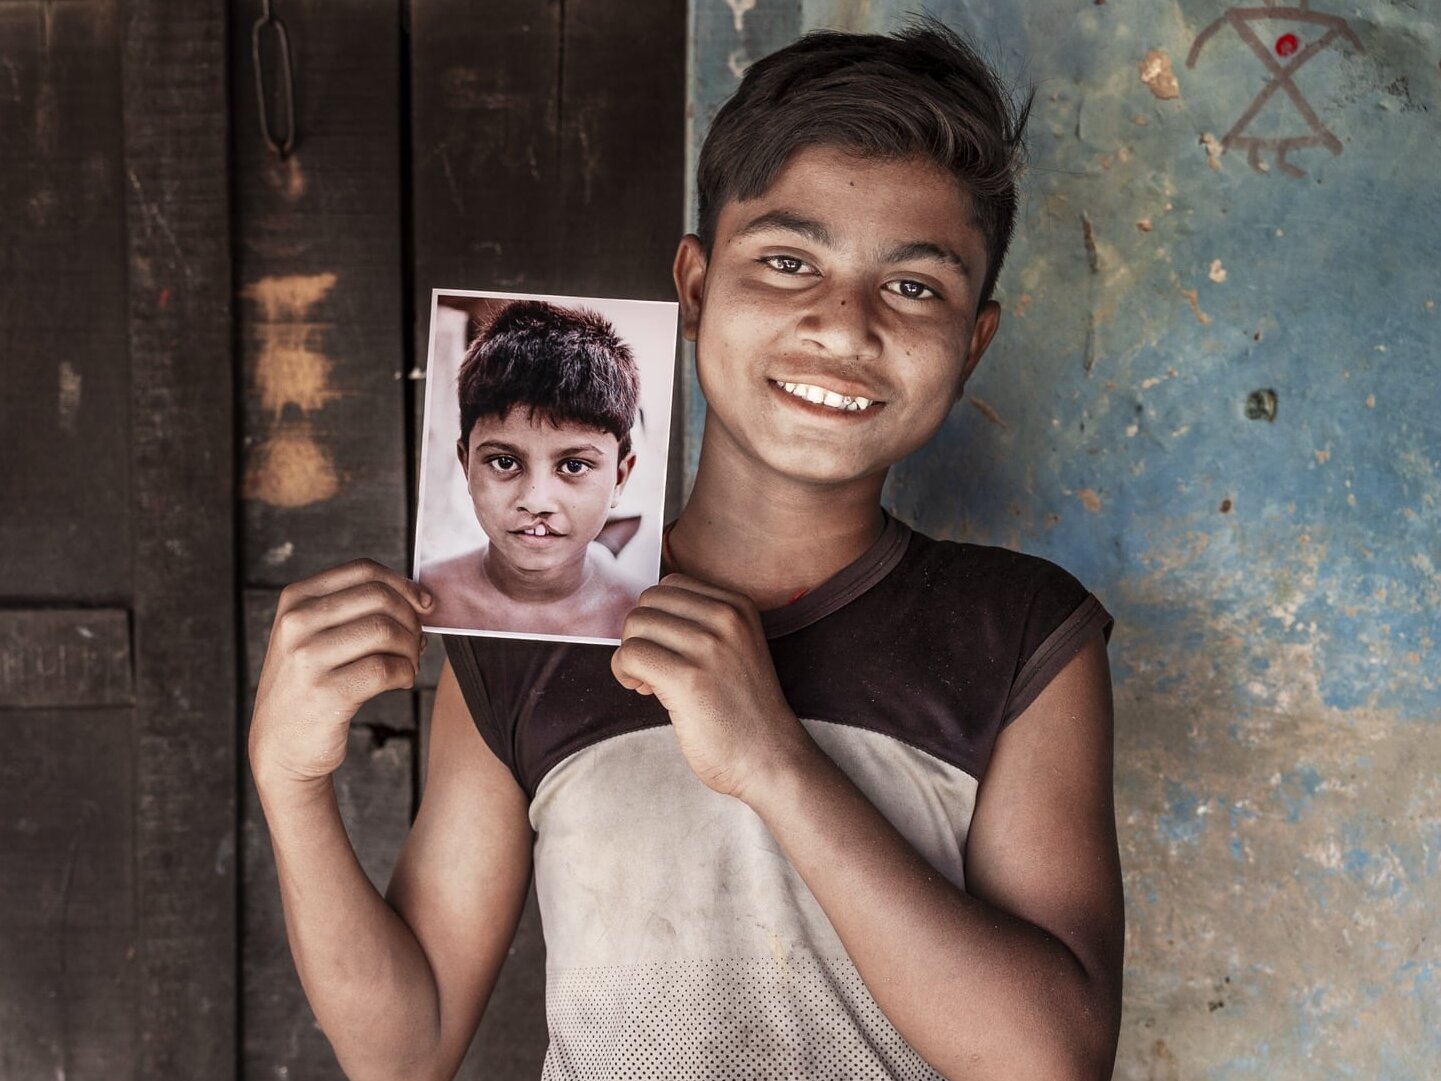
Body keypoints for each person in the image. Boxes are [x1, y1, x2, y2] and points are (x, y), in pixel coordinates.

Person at [249, 18, 1124, 1081]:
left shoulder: (1024, 632)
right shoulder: (531, 623)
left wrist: (772, 761)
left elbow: (1050, 1063)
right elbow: (404, 1047)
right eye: (789, 261)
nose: (842, 326)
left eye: (912, 286)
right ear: (697, 288)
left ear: (972, 339)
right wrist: (290, 783)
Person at [417, 299, 644, 641]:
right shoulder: (422, 597)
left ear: (620, 478)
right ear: (466, 464)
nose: (537, 501)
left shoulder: (640, 617)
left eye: (573, 465)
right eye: (505, 462)